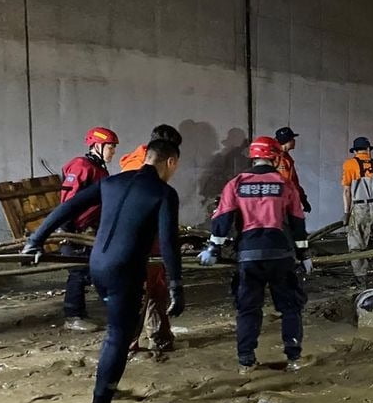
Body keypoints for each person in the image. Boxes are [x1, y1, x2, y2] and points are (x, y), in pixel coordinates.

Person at [22, 140, 184, 403]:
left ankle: (108, 384)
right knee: (118, 336)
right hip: (125, 270)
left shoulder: (112, 182)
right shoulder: (164, 193)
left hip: (97, 265)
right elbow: (169, 242)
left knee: (123, 327)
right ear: (170, 162)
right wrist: (176, 285)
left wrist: (36, 240)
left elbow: (67, 208)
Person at [198, 136, 311, 373]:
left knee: (248, 309)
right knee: (290, 307)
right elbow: (298, 222)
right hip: (280, 253)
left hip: (248, 255)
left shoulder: (236, 184)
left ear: (253, 156)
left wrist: (213, 249)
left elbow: (222, 219)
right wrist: (304, 254)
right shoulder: (285, 184)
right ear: (275, 156)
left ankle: (246, 361)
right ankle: (293, 358)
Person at [120, 124, 183, 353]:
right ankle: (137, 342)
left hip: (132, 239)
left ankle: (158, 337)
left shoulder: (134, 162)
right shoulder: (145, 170)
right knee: (150, 288)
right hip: (144, 241)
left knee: (153, 288)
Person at [58, 126, 119, 332]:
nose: (113, 152)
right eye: (111, 147)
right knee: (78, 271)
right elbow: (69, 198)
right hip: (77, 229)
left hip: (92, 229)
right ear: (97, 146)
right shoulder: (82, 166)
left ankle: (110, 308)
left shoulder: (99, 169)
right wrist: (68, 229)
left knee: (95, 269)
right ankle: (73, 316)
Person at [342, 137, 373, 286]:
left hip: (360, 207)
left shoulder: (349, 164)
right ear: (368, 150)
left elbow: (346, 191)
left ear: (355, 151)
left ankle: (361, 279)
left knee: (357, 242)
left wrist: (346, 213)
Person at [275, 127, 311, 214]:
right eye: (292, 139)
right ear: (286, 141)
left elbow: (294, 182)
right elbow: (290, 182)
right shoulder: (278, 158)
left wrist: (303, 199)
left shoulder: (286, 157)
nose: (294, 141)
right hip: (280, 203)